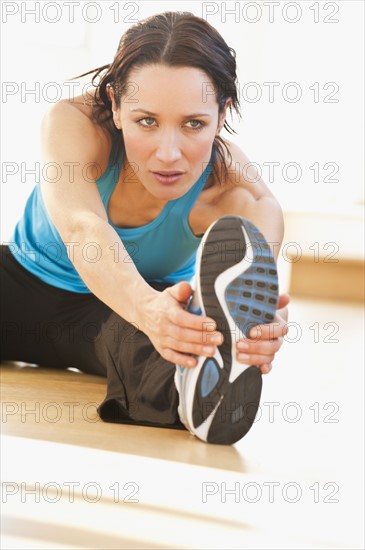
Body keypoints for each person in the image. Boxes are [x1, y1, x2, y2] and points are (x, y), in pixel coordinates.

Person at [0, 11, 289, 445]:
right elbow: (82, 229)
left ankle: (193, 386)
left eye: (193, 124)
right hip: (23, 286)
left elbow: (253, 283)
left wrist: (257, 330)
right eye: (147, 121)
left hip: (125, 314)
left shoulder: (239, 194)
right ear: (115, 105)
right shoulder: (73, 125)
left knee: (170, 351)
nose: (168, 154)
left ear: (221, 112)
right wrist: (148, 311)